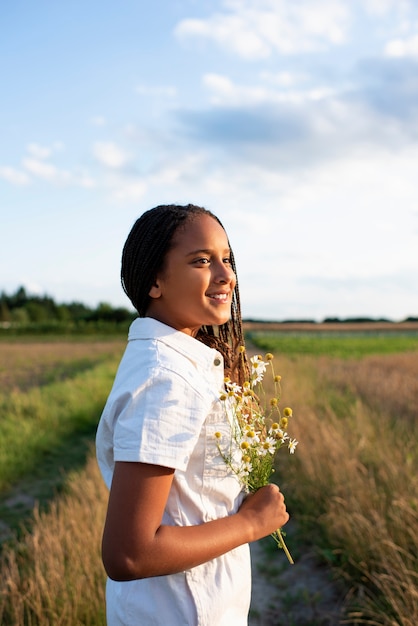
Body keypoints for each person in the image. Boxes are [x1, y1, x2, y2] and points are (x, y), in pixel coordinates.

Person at [96, 204, 289, 625]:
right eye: (202, 260)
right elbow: (129, 554)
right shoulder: (167, 379)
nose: (225, 275)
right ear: (155, 282)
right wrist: (251, 523)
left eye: (226, 258)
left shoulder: (178, 364)